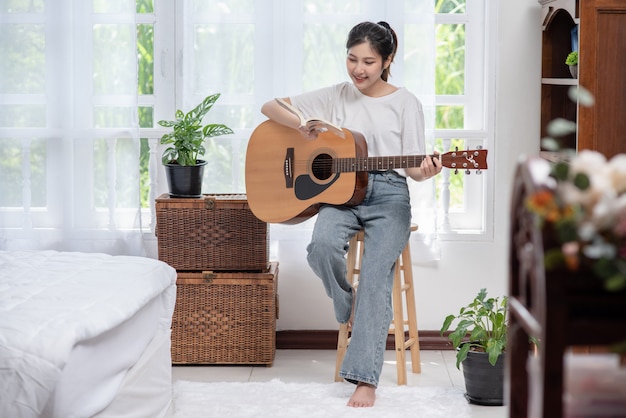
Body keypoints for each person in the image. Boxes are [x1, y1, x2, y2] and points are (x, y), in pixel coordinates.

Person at [261, 21, 442, 408]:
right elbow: (269, 106)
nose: (358, 69)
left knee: (377, 278)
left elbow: (412, 168)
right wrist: (301, 125)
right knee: (321, 246)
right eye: (352, 58)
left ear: (387, 61)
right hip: (342, 193)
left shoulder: (406, 102)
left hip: (389, 196)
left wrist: (425, 171)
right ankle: (347, 304)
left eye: (369, 62)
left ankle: (364, 379)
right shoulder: (337, 95)